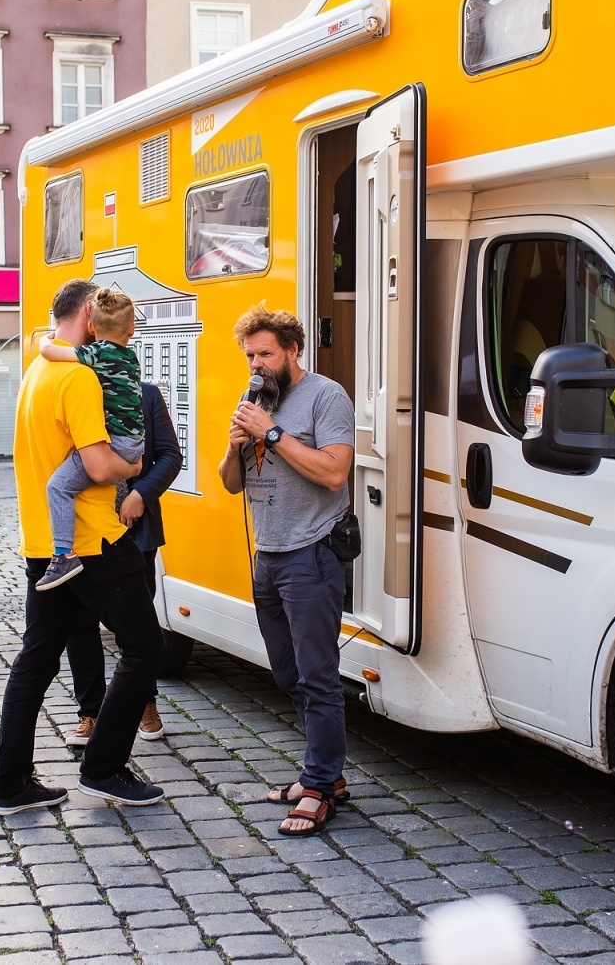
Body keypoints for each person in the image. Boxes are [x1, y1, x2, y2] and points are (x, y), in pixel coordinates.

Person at [0, 278, 162, 816]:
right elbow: (100, 466)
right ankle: (103, 768)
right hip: (93, 541)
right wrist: (135, 464)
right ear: (91, 313)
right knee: (145, 649)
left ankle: (10, 784)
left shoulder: (36, 371)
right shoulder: (81, 377)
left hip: (45, 543)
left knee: (36, 661)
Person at [217, 304, 356, 836]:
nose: (256, 364)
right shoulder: (253, 400)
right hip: (268, 555)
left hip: (311, 553)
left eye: (265, 354)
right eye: (249, 356)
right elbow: (232, 482)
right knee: (287, 673)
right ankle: (327, 774)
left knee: (318, 676)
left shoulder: (326, 396)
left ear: (293, 350)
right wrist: (235, 448)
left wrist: (272, 434)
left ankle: (319, 787)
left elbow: (336, 473)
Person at [65, 378, 183, 748]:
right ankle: (90, 712)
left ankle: (144, 703)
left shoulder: (145, 394)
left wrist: (141, 494)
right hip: (83, 529)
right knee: (79, 624)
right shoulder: (71, 392)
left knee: (138, 625)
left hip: (134, 530)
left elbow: (170, 456)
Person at [36, 287, 146, 591]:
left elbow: (50, 352)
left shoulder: (96, 354)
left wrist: (45, 339)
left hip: (117, 444)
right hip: (133, 442)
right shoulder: (130, 357)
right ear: (132, 329)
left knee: (58, 486)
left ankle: (63, 554)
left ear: (92, 327)